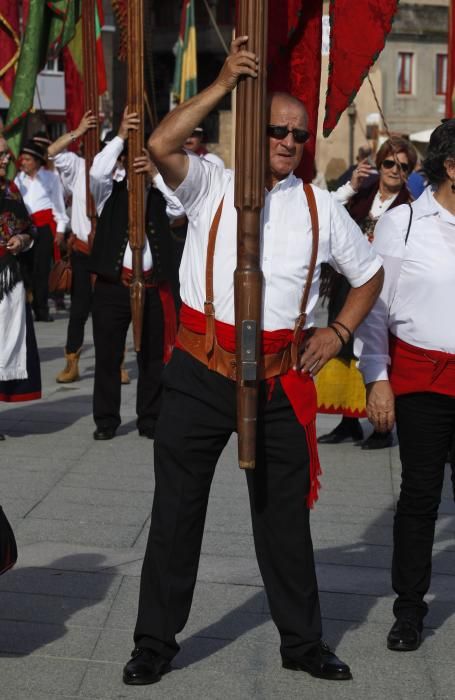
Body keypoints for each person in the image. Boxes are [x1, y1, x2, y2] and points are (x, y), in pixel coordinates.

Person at [122, 38, 383, 686]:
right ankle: (154, 642)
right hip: (200, 372)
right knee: (177, 514)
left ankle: (302, 643)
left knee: (283, 522)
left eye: (298, 133)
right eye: (276, 130)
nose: (289, 141)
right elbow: (158, 145)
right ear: (254, 129)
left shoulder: (320, 206)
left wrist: (338, 330)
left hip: (275, 383)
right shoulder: (212, 182)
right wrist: (221, 83)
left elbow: (369, 273)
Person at [355, 119, 455, 652]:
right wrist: (377, 377)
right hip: (420, 377)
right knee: (421, 495)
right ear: (452, 168)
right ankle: (410, 609)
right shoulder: (406, 223)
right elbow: (376, 308)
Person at [317, 137, 417, 449]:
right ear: (380, 163)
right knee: (344, 347)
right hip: (348, 281)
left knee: (374, 347)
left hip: (382, 286)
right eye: (389, 163)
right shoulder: (363, 193)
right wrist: (351, 186)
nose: (394, 170)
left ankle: (382, 427)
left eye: (402, 166)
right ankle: (349, 422)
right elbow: (326, 212)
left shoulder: (408, 207)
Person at [88, 108, 176, 441]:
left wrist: (155, 174)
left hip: (151, 285)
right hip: (114, 285)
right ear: (123, 161)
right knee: (108, 355)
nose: (136, 163)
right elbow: (97, 172)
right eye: (131, 158)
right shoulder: (109, 190)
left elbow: (180, 207)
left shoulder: (161, 191)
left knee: (152, 357)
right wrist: (122, 134)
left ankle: (149, 418)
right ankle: (106, 420)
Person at [45, 111, 98, 382]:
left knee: (108, 311)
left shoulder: (116, 170)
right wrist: (77, 130)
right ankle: (72, 361)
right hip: (81, 250)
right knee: (78, 309)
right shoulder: (77, 165)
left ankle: (116, 362)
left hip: (108, 251)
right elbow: (52, 152)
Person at [0, 136, 41, 437]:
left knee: (4, 346)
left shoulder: (10, 189)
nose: (6, 160)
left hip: (8, 279)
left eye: (7, 156)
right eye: (1, 155)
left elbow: (30, 230)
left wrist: (22, 240)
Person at [14, 140, 68, 322]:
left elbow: (59, 206)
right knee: (26, 269)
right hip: (25, 229)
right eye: (23, 159)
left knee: (42, 270)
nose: (24, 162)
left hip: (44, 229)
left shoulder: (51, 178)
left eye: (28, 159)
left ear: (37, 161)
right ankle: (27, 306)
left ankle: (42, 309)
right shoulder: (18, 179)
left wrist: (60, 230)